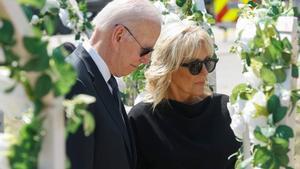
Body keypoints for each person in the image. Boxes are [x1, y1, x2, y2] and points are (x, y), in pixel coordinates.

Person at [128, 22, 241, 169]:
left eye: (208, 63)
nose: (205, 72)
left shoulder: (226, 109)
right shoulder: (142, 119)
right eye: (195, 66)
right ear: (169, 68)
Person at [65, 0, 161, 169]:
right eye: (145, 51)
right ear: (118, 35)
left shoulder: (104, 76)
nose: (146, 60)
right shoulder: (74, 83)